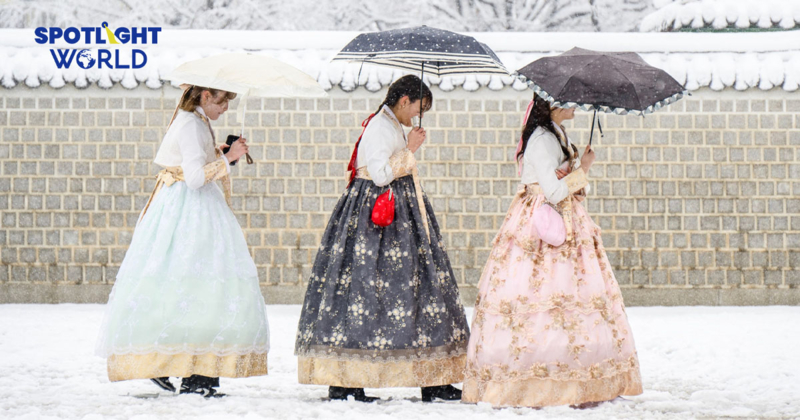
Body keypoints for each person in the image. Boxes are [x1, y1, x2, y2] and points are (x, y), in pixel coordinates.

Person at [294, 75, 469, 403]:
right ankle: (347, 380)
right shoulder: (379, 127)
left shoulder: (390, 126)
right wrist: (411, 150)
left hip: (401, 216)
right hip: (376, 220)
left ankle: (434, 377)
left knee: (423, 290)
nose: (417, 117)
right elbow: (379, 174)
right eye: (418, 108)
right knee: (365, 293)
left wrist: (407, 148)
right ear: (404, 100)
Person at [462, 94, 643, 408]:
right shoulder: (542, 140)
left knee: (571, 299)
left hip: (564, 218)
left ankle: (574, 372)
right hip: (541, 224)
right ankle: (533, 378)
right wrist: (580, 170)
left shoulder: (558, 135)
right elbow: (555, 190)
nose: (577, 107)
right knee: (536, 297)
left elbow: (570, 188)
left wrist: (579, 167)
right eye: (570, 102)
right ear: (551, 106)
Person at [95, 85, 270, 398]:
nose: (226, 108)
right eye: (222, 101)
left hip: (192, 209)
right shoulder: (190, 123)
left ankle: (183, 368)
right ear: (204, 96)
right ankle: (188, 373)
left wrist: (224, 153)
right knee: (196, 285)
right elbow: (193, 178)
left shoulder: (197, 121)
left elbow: (198, 163)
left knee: (192, 287)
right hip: (190, 212)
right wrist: (229, 157)